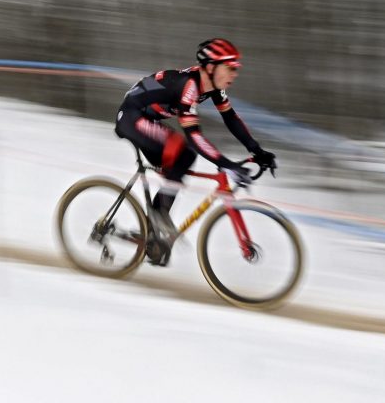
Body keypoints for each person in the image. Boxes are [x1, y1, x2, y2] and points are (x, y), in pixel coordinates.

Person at [114, 38, 277, 262]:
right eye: (230, 68)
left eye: (235, 69)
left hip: (147, 118)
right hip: (132, 117)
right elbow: (195, 136)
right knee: (185, 152)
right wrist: (226, 164)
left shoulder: (212, 87)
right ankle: (157, 215)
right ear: (210, 68)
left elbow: (230, 118)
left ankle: (151, 234)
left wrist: (257, 150)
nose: (234, 74)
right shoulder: (188, 87)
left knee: (180, 160)